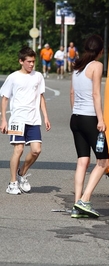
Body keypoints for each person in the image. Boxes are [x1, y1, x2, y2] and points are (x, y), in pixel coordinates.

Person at [0, 47, 51, 195]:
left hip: (34, 119)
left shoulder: (38, 76)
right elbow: (5, 99)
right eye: (28, 62)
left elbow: (41, 97)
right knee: (19, 149)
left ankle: (22, 173)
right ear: (21, 61)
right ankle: (12, 183)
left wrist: (46, 116)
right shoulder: (13, 77)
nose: (31, 65)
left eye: (33, 62)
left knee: (36, 150)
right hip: (17, 119)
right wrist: (4, 119)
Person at [69, 35, 109, 218]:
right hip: (89, 118)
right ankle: (84, 200)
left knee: (82, 161)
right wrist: (100, 120)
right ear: (101, 51)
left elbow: (72, 93)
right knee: (104, 161)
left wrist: (76, 112)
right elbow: (96, 94)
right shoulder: (96, 66)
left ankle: (76, 204)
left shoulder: (77, 67)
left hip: (76, 118)